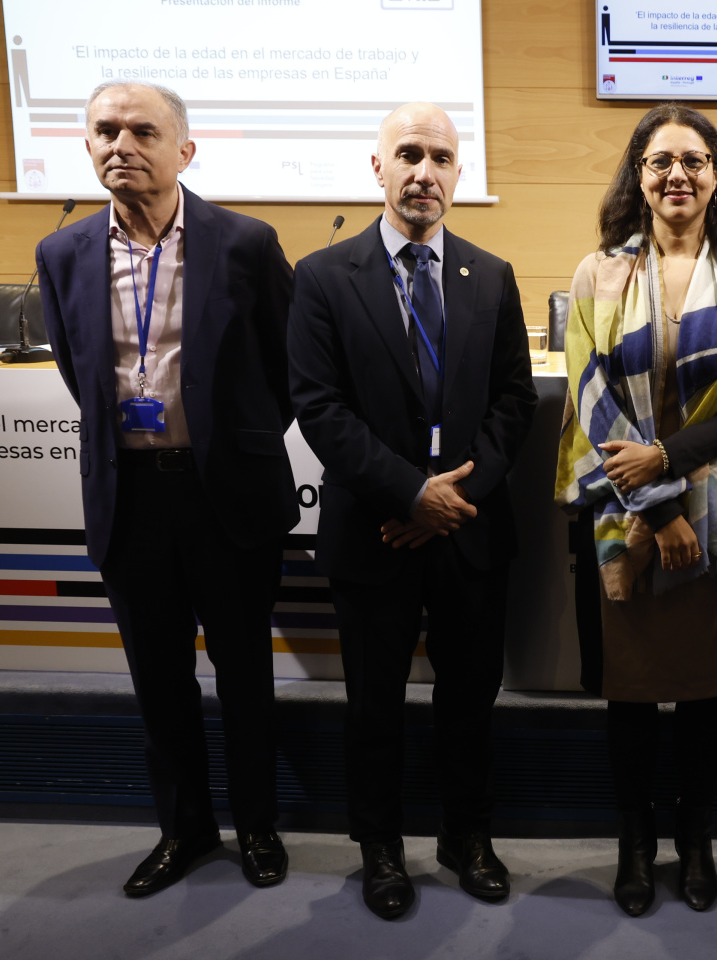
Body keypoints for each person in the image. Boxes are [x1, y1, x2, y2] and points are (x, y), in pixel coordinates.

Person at [36, 82, 296, 897]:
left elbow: (285, 371)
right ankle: (184, 831)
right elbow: (83, 377)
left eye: (143, 131)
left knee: (245, 674)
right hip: (131, 500)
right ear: (86, 147)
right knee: (158, 679)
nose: (121, 145)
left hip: (227, 500)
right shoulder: (62, 253)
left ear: (185, 150)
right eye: (105, 131)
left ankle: (257, 826)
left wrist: (234, 440)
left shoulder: (248, 242)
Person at [286, 102, 538, 920]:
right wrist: (409, 492)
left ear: (458, 175)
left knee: (470, 701)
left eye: (441, 157)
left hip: (467, 533)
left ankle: (467, 839)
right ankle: (381, 852)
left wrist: (450, 500)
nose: (424, 171)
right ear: (378, 168)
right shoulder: (323, 278)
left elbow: (512, 401)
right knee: (374, 708)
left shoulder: (491, 275)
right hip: (375, 533)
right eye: (409, 154)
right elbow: (319, 408)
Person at [555, 104, 717, 917]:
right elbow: (589, 396)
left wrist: (668, 461)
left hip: (713, 509)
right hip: (627, 519)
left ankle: (695, 840)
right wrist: (657, 503)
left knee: (701, 697)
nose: (677, 174)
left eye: (694, 159)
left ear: (716, 174)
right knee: (629, 696)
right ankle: (634, 843)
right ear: (639, 176)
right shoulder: (599, 273)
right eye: (660, 162)